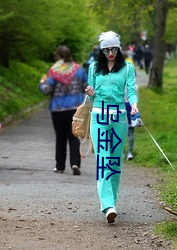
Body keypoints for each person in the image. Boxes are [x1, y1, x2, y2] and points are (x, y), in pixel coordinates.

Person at [85, 31, 138, 223]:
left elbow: (131, 90)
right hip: (99, 116)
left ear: (119, 48)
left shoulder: (127, 68)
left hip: (119, 119)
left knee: (115, 162)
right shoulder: (93, 68)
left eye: (114, 49)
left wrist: (133, 104)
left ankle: (112, 201)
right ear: (101, 50)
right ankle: (107, 205)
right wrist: (90, 92)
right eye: (106, 50)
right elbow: (91, 96)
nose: (110, 53)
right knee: (103, 160)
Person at [39, 45, 88, 175]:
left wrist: (42, 83)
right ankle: (75, 163)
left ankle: (60, 166)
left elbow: (47, 90)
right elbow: (86, 87)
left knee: (60, 138)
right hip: (75, 109)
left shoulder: (54, 71)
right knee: (74, 137)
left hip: (58, 109)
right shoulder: (79, 70)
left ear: (58, 57)